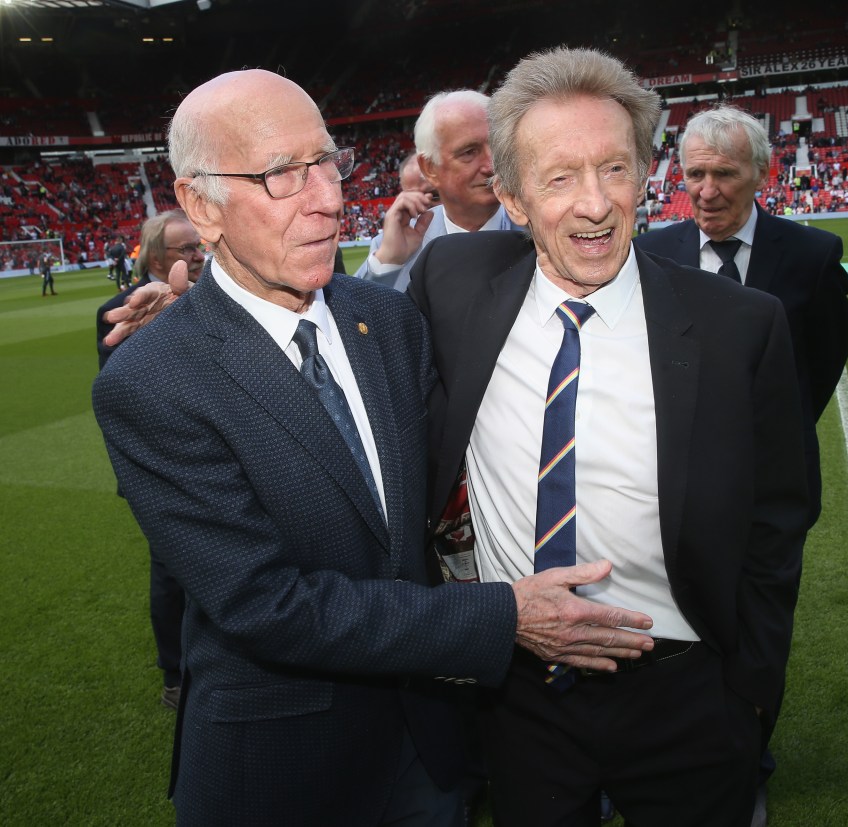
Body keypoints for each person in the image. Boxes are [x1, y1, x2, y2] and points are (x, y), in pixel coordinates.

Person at [91, 68, 655, 827]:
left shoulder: (385, 320)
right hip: (283, 773)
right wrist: (500, 618)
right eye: (281, 174)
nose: (327, 196)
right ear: (200, 205)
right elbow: (267, 605)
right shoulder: (152, 381)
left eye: (327, 161)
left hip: (427, 749)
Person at [407, 46, 809, 827]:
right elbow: (347, 338)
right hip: (519, 694)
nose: (595, 204)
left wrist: (750, 694)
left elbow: (779, 518)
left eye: (614, 170)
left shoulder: (739, 326)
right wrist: (187, 308)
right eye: (560, 178)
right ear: (515, 199)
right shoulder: (451, 283)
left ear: (645, 175)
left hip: (688, 694)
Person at [634, 102, 848, 826]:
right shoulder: (652, 253)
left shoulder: (812, 256)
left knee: (761, 623)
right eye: (694, 173)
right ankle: (667, 752)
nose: (707, 190)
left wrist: (768, 440)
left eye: (725, 174)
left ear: (760, 173)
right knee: (675, 622)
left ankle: (750, 752)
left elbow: (820, 366)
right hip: (674, 486)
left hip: (770, 488)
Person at [95, 209, 206, 710]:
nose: (197, 255)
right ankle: (175, 674)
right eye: (187, 249)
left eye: (198, 246)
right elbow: (121, 393)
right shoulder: (122, 309)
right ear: (155, 256)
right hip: (160, 467)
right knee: (170, 571)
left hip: (214, 456)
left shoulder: (213, 297)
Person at [353, 89, 521, 292]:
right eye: (469, 152)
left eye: (496, 146)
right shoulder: (394, 246)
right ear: (430, 168)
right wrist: (388, 262)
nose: (491, 166)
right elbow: (356, 319)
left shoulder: (538, 229)